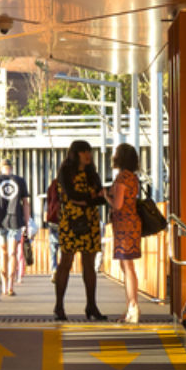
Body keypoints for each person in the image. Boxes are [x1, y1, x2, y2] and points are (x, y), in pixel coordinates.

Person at [52, 139, 107, 322]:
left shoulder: (93, 174)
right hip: (71, 222)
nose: (88, 155)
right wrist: (91, 197)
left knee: (89, 263)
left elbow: (102, 198)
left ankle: (91, 305)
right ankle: (59, 306)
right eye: (84, 152)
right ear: (76, 154)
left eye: (89, 151)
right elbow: (72, 196)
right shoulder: (66, 172)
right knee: (66, 261)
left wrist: (87, 200)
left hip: (90, 221)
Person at [106, 142, 144, 324]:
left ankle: (133, 307)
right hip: (132, 224)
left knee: (127, 267)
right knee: (126, 266)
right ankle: (130, 306)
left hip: (124, 226)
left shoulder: (121, 178)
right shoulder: (133, 177)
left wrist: (105, 196)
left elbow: (118, 205)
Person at [0, 164, 33, 297]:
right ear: (12, 168)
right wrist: (27, 225)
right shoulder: (20, 180)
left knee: (3, 253)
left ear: (1, 167)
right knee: (12, 254)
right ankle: (11, 286)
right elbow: (26, 203)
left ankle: (4, 287)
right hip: (16, 221)